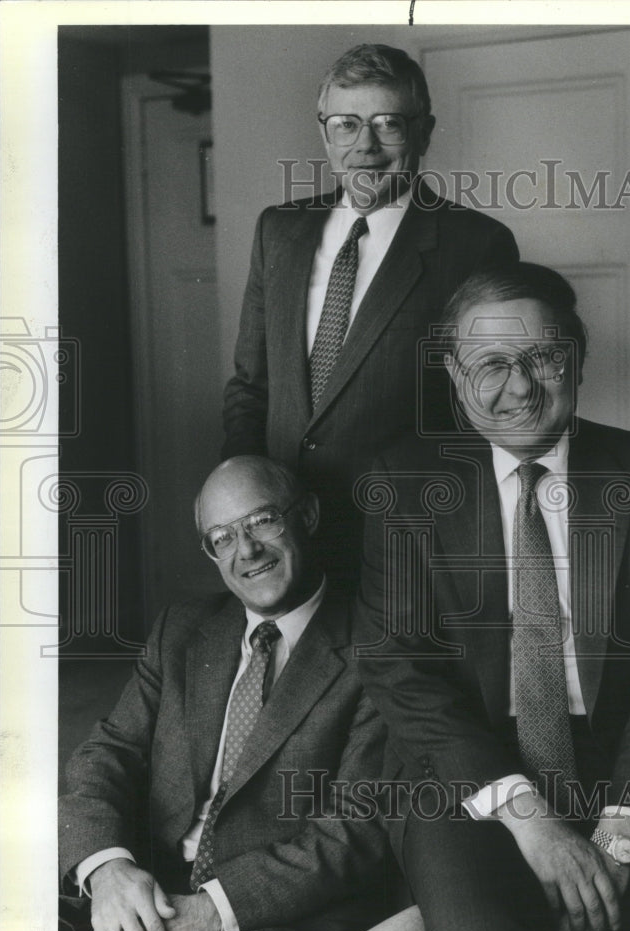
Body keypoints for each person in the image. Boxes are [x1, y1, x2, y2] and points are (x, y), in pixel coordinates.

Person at [348, 262, 630, 931]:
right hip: (465, 772)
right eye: (492, 364)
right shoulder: (401, 482)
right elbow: (397, 667)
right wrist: (532, 823)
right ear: (451, 371)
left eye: (544, 358)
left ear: (578, 358)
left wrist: (618, 836)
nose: (522, 386)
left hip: (622, 764)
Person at [58, 456, 389, 931]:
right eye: (223, 537)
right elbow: (106, 754)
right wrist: (109, 870)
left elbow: (357, 830)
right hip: (147, 895)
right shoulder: (183, 629)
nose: (247, 551)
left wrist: (213, 909)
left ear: (306, 515)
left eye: (262, 521)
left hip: (276, 924)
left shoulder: (375, 648)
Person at [221, 43, 519, 591]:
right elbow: (250, 387)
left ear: (424, 132)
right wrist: (244, 505)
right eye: (346, 125)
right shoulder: (278, 231)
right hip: (282, 540)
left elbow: (484, 410)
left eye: (389, 124)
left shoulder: (476, 245)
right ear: (324, 132)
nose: (366, 147)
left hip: (406, 538)